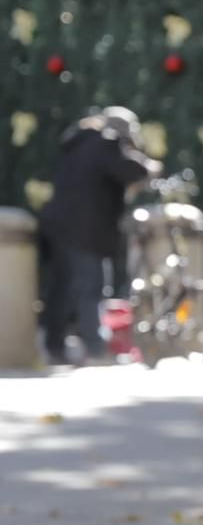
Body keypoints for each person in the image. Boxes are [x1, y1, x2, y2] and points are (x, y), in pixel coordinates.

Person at [38, 107, 161, 365]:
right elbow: (129, 170)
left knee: (62, 289)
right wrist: (149, 166)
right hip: (86, 229)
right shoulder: (106, 143)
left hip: (57, 225)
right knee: (90, 289)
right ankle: (95, 350)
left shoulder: (77, 143)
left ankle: (55, 347)